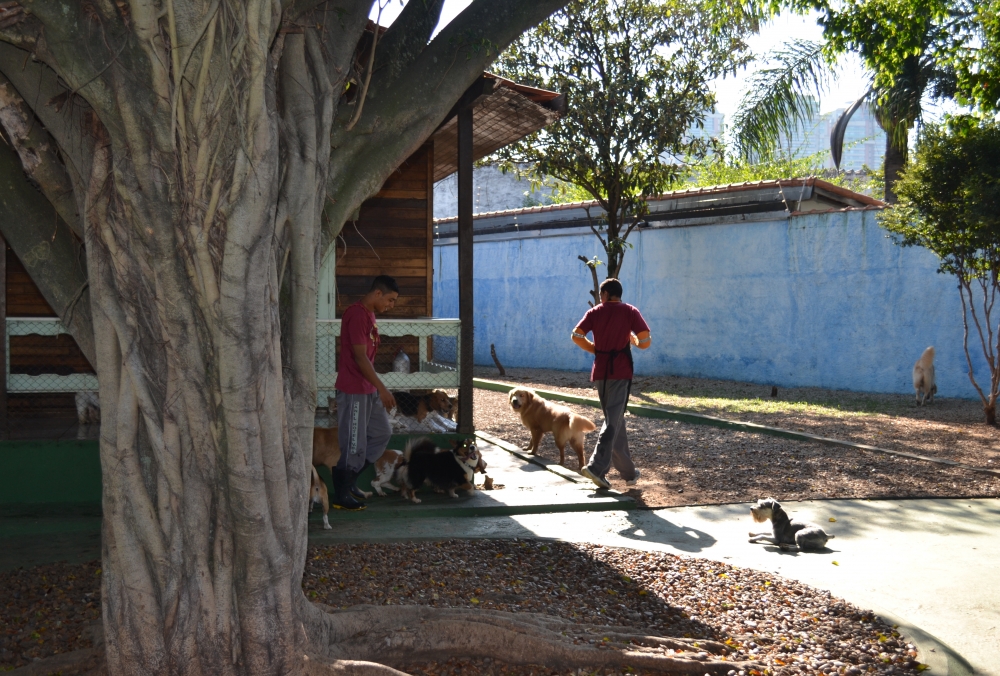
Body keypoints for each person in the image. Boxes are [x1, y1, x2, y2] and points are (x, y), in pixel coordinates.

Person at [571, 278, 651, 490]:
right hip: (621, 371)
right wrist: (634, 340)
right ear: (618, 294)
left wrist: (594, 349)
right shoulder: (630, 311)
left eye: (601, 294)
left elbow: (576, 335)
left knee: (615, 419)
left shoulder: (595, 312)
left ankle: (628, 473)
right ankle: (597, 467)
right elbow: (645, 341)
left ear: (605, 294)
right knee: (613, 421)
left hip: (600, 372)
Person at [332, 275, 399, 510]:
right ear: (377, 293)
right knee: (354, 443)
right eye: (390, 300)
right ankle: (341, 493)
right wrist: (382, 388)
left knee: (382, 432)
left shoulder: (370, 314)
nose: (391, 305)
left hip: (368, 388)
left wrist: (376, 387)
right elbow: (360, 357)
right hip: (354, 390)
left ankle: (350, 480)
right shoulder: (357, 314)